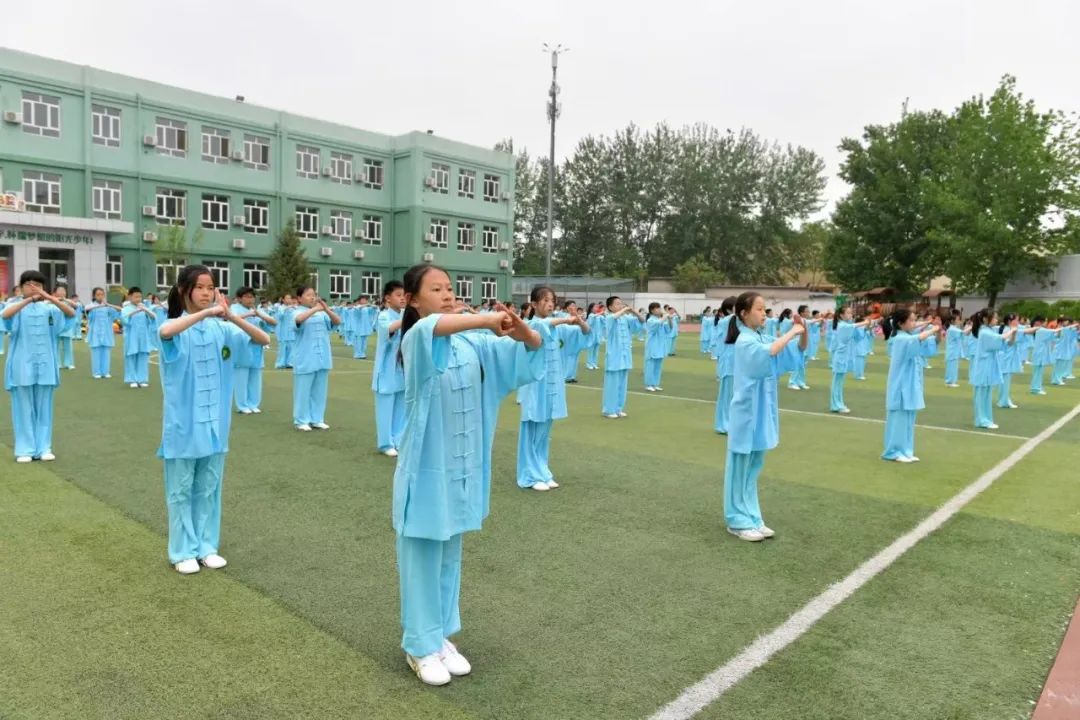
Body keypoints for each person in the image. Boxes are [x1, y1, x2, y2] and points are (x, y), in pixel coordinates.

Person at [392, 263, 542, 686]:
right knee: (422, 554)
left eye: (449, 287)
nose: (445, 293)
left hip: (462, 471)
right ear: (413, 299)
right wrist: (488, 318)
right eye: (435, 289)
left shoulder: (475, 346)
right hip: (424, 474)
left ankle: (440, 637)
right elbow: (436, 327)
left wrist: (520, 330)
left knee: (449, 555)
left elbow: (528, 355)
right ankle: (418, 645)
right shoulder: (417, 338)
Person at [157, 265, 270, 574]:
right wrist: (204, 314)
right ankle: (182, 551)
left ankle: (207, 546)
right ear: (185, 291)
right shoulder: (176, 325)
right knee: (180, 490)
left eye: (211, 287)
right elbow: (165, 332)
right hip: (183, 426)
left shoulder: (223, 329)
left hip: (216, 426)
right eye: (201, 287)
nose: (207, 293)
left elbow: (263, 340)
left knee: (208, 487)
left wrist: (230, 315)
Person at [723, 291, 805, 541]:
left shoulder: (761, 335)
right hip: (746, 413)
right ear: (743, 314)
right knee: (739, 467)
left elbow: (795, 350)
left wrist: (803, 329)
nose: (764, 313)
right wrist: (792, 332)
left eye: (764, 309)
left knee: (754, 467)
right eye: (759, 309)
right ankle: (736, 520)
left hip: (761, 412)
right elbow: (770, 352)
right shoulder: (745, 341)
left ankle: (752, 517)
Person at [518, 286, 590, 491]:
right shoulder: (530, 324)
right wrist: (567, 319)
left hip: (552, 386)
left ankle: (542, 471)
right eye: (545, 300)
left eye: (552, 301)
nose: (550, 304)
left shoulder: (557, 327)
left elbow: (584, 332)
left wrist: (579, 320)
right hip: (534, 386)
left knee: (545, 430)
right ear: (533, 304)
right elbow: (543, 325)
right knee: (532, 429)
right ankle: (529, 476)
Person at [2, 270, 76, 463]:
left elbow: (71, 314)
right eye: (29, 284)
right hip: (21, 365)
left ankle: (44, 447)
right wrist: (27, 300)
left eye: (38, 284)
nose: (33, 287)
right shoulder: (14, 305)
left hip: (45, 366)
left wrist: (48, 297)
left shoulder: (51, 309)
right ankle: (25, 449)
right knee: (23, 408)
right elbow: (5, 316)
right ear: (22, 286)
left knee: (44, 408)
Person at [881, 309, 939, 463]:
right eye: (911, 320)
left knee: (908, 419)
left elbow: (921, 340)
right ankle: (892, 451)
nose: (914, 323)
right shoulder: (899, 338)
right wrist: (932, 329)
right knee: (898, 419)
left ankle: (906, 450)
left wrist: (932, 329)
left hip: (910, 383)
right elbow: (918, 338)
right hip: (900, 385)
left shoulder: (907, 336)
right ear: (901, 323)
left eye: (915, 320)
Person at [291, 286, 341, 431]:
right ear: (299, 298)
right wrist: (314, 309)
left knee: (320, 391)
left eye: (314, 295)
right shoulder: (295, 311)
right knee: (303, 391)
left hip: (322, 357)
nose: (312, 297)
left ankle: (317, 418)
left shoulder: (322, 314)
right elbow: (299, 320)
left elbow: (337, 321)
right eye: (308, 295)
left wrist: (326, 309)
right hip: (305, 358)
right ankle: (301, 420)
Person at [372, 281, 407, 456]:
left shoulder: (403, 315)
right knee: (386, 407)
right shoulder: (385, 315)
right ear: (388, 298)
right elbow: (388, 330)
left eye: (404, 295)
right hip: (386, 369)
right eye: (398, 295)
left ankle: (398, 440)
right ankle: (385, 443)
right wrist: (406, 319)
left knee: (401, 406)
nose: (402, 298)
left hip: (402, 368)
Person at [230, 287, 278, 414]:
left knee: (255, 376)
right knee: (241, 376)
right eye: (247, 296)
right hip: (241, 346)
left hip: (256, 346)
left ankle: (253, 403)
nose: (250, 299)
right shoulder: (234, 308)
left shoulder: (257, 310)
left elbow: (273, 322)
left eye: (252, 296)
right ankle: (242, 405)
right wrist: (248, 314)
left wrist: (259, 314)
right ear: (239, 298)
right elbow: (230, 319)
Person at [969, 308, 1016, 430]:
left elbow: (1007, 344)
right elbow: (1000, 338)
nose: (996, 320)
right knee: (981, 394)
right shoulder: (984, 332)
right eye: (994, 317)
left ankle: (987, 419)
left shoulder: (990, 330)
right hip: (983, 366)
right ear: (985, 319)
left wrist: (1013, 333)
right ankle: (981, 420)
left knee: (987, 394)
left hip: (989, 365)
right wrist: (1012, 331)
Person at [601, 296, 644, 419]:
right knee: (612, 385)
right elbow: (614, 317)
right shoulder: (609, 318)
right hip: (614, 357)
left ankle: (619, 408)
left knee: (622, 384)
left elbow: (641, 321)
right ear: (610, 307)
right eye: (617, 304)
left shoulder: (626, 319)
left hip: (625, 356)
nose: (620, 305)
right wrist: (624, 310)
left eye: (621, 303)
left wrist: (634, 312)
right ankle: (609, 410)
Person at [829, 307, 872, 414]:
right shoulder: (842, 325)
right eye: (848, 313)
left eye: (851, 313)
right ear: (841, 315)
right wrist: (865, 322)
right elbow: (853, 326)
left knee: (839, 383)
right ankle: (836, 405)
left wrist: (866, 325)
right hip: (840, 357)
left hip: (844, 357)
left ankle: (839, 404)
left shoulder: (847, 325)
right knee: (837, 383)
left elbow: (858, 335)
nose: (851, 315)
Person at [120, 287, 155, 388]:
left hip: (143, 337)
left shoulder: (144, 308)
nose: (138, 299)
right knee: (131, 357)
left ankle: (142, 379)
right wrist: (136, 311)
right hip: (131, 337)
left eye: (140, 296)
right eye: (136, 296)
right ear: (130, 297)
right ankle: (132, 380)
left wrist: (145, 309)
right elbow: (124, 320)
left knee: (143, 356)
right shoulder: (126, 308)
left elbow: (153, 318)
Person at [711, 297, 737, 434]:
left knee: (736, 397)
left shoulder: (739, 321)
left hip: (739, 363)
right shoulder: (725, 321)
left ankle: (733, 424)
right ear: (728, 309)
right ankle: (722, 425)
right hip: (728, 363)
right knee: (727, 397)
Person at [85, 287, 121, 379]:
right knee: (96, 352)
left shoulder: (107, 307)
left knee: (106, 352)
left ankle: (105, 372)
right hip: (95, 333)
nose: (100, 296)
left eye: (102, 294)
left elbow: (119, 310)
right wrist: (98, 306)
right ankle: (96, 372)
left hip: (106, 332)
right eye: (98, 294)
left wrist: (108, 305)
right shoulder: (91, 306)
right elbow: (86, 310)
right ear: (94, 296)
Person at [643, 302, 673, 392]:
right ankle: (648, 384)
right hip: (652, 346)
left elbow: (669, 329)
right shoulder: (650, 320)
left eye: (660, 308)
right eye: (657, 308)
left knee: (658, 366)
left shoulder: (661, 320)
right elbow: (657, 324)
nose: (660, 310)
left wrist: (670, 319)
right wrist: (665, 316)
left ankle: (655, 384)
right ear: (652, 310)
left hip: (660, 346)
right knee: (650, 366)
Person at [1028, 316, 1061, 395]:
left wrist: (1059, 328)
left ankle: (1037, 387)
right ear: (1039, 322)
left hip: (1041, 353)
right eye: (1045, 321)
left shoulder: (1042, 330)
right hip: (1038, 354)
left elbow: (1056, 335)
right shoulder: (1040, 330)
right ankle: (1035, 388)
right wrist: (1060, 327)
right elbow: (1054, 331)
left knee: (1039, 371)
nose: (1046, 323)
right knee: (1037, 372)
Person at [54, 285, 81, 370]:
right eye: (60, 290)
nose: (62, 292)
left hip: (67, 326)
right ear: (55, 292)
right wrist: (56, 300)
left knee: (68, 346)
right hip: (56, 326)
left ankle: (68, 363)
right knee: (56, 346)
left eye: (63, 290)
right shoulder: (53, 300)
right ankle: (57, 363)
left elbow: (76, 306)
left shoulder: (68, 301)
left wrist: (65, 300)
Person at [274, 294, 298, 369]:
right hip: (282, 332)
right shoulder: (280, 308)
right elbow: (279, 317)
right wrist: (287, 308)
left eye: (290, 298)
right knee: (282, 348)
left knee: (291, 348)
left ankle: (289, 363)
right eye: (287, 298)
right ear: (283, 300)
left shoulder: (294, 309)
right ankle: (280, 363)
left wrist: (293, 308)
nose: (288, 300)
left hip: (291, 332)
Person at [944, 313, 964, 387]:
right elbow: (964, 333)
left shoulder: (954, 328)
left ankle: (952, 381)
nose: (959, 321)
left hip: (954, 351)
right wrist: (972, 326)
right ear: (952, 321)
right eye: (957, 319)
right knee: (951, 367)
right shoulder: (952, 329)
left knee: (954, 367)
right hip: (952, 352)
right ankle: (950, 382)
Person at [584, 302, 605, 370]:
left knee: (596, 351)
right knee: (590, 351)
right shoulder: (591, 316)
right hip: (591, 336)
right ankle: (588, 364)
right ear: (591, 308)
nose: (596, 308)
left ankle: (594, 364)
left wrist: (603, 315)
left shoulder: (599, 316)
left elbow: (604, 322)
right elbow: (590, 323)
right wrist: (599, 314)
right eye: (595, 307)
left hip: (597, 336)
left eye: (597, 307)